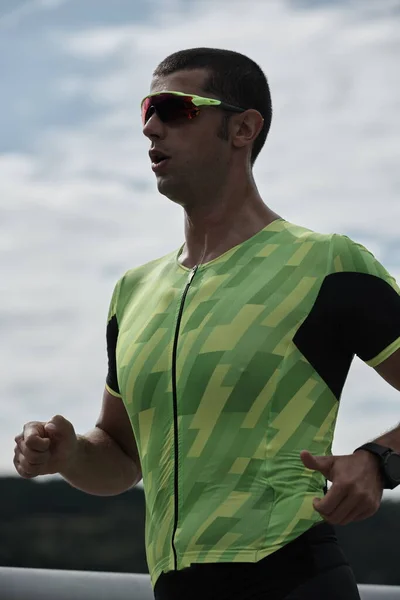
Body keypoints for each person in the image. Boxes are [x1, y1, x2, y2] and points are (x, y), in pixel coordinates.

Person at [14, 48, 400, 600]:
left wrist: (379, 461)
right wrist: (68, 454)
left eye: (174, 109)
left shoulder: (326, 263)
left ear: (243, 128)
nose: (150, 127)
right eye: (148, 109)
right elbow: (123, 459)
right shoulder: (133, 292)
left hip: (293, 579)